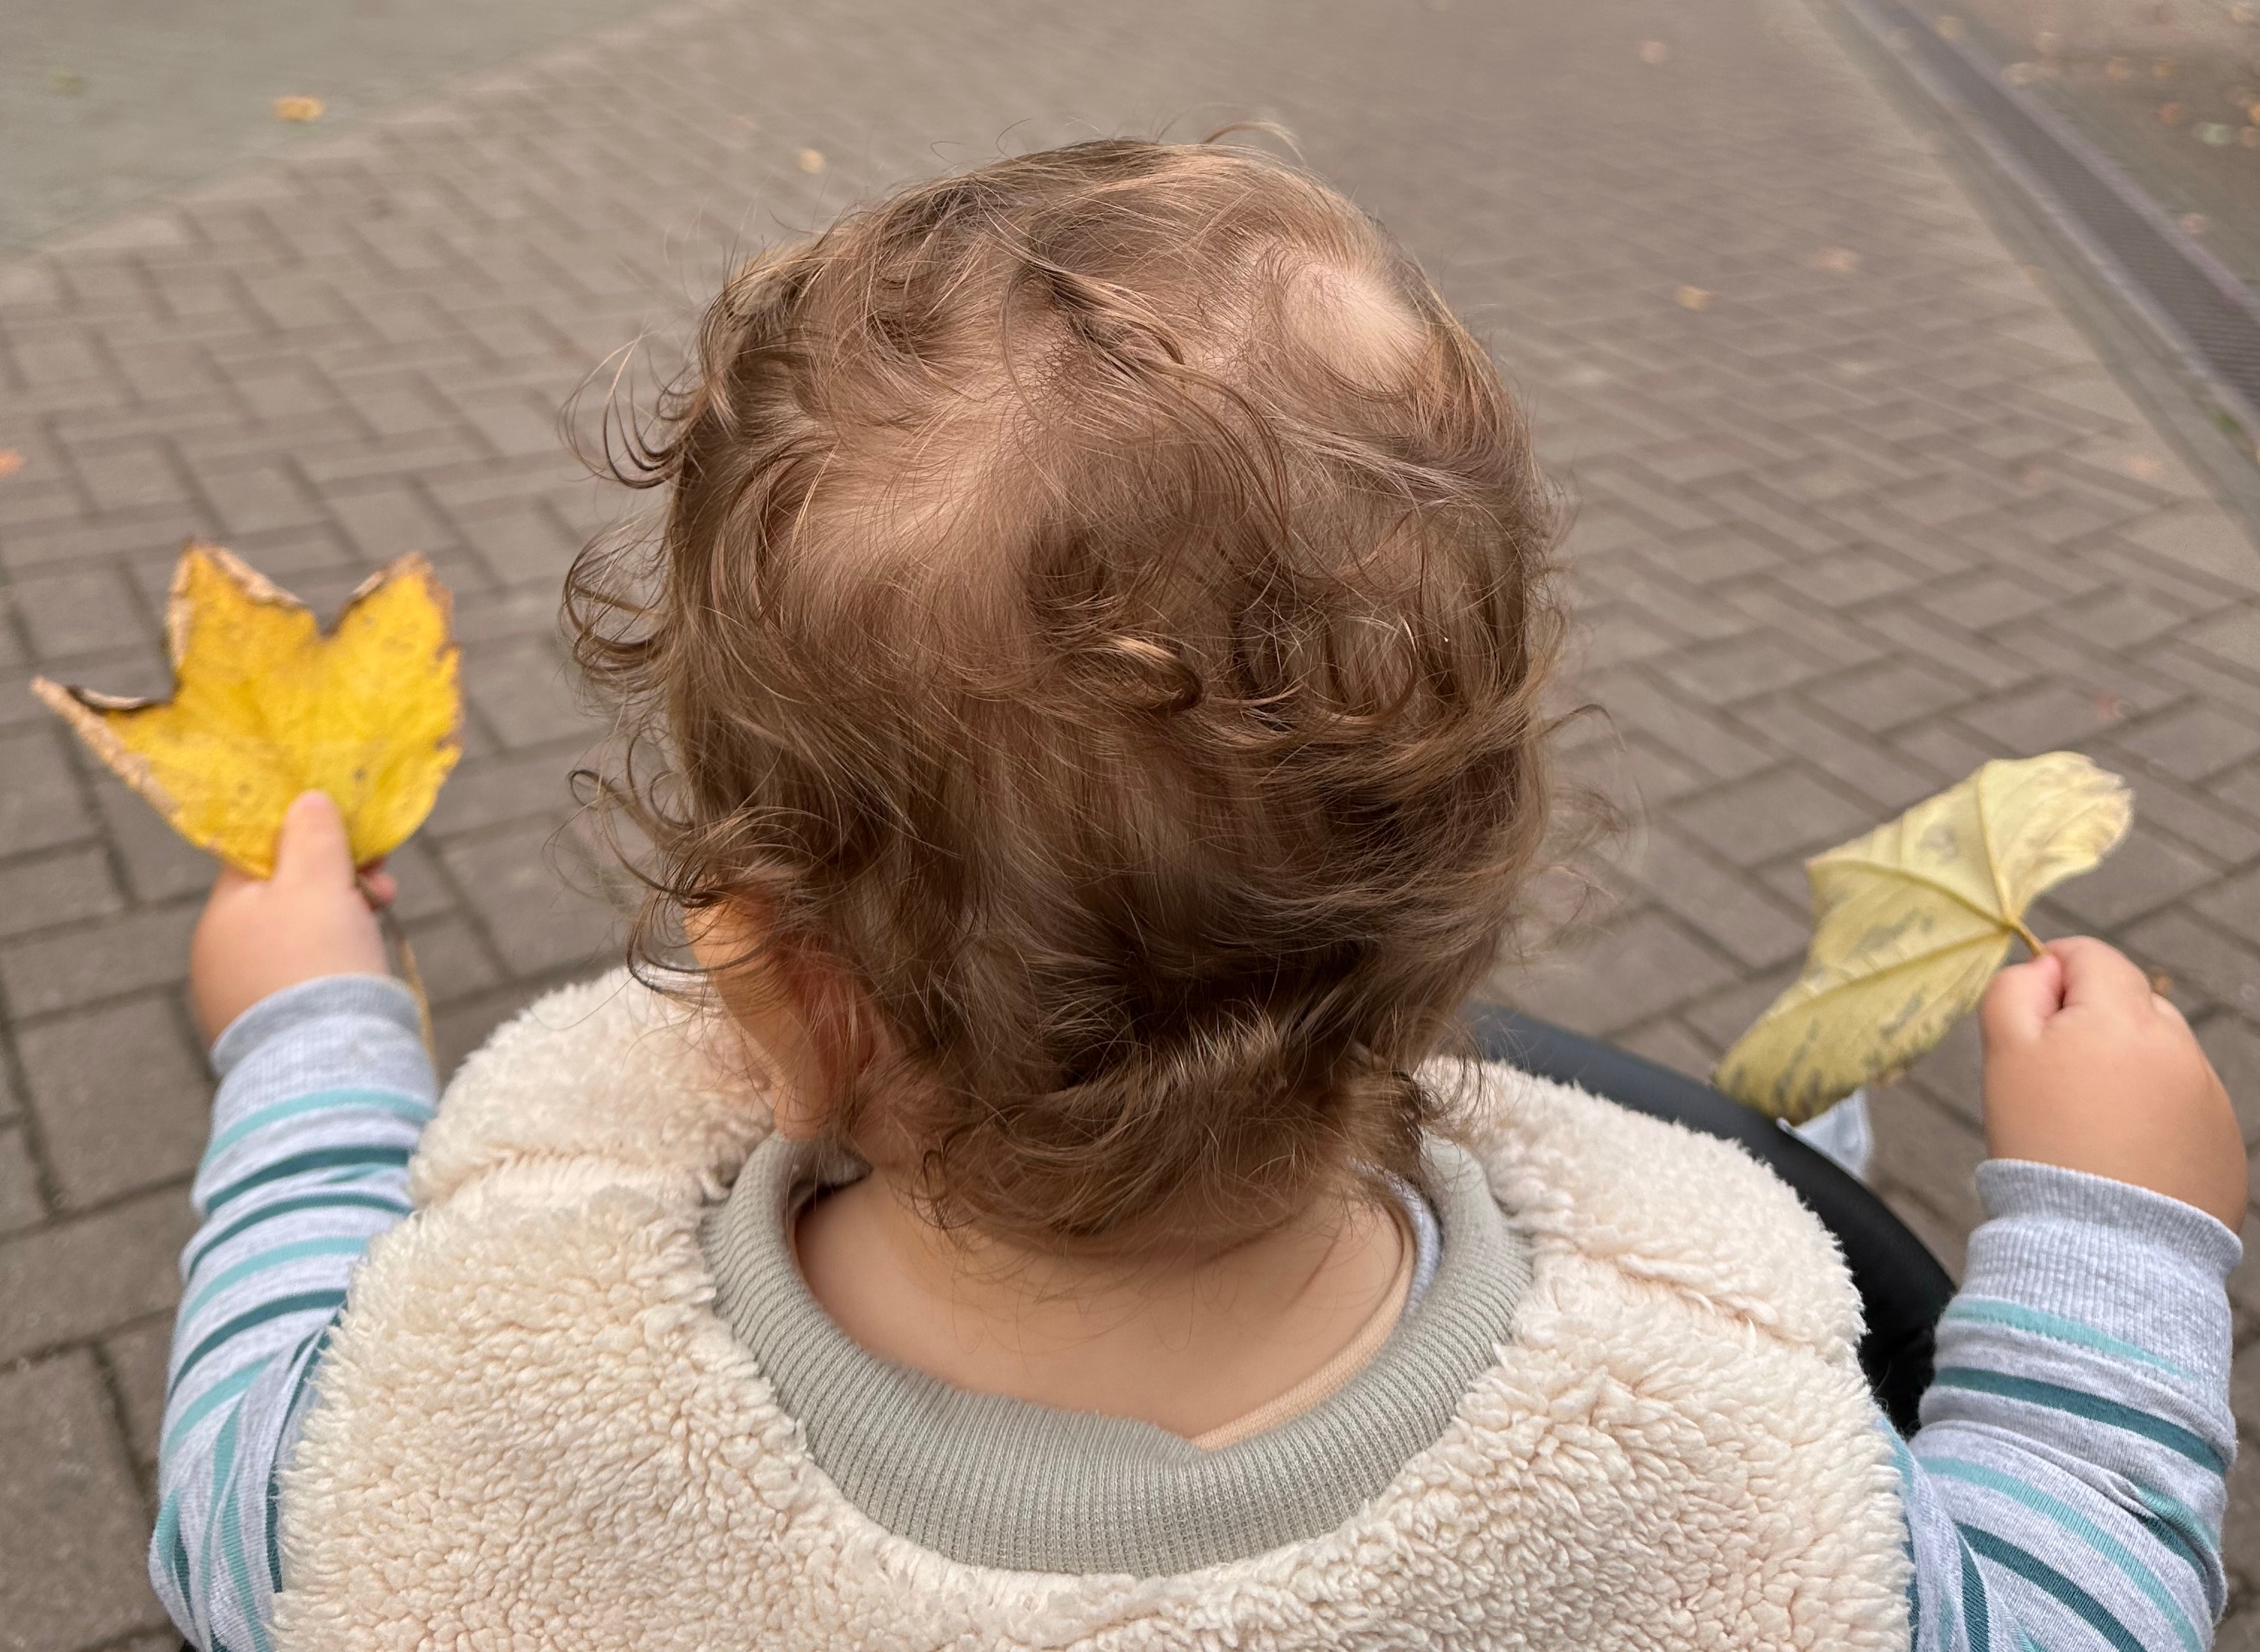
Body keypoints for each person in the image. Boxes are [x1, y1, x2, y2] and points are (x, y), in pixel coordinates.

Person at [153, 140, 2244, 1652]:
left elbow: (247, 1471)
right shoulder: (1708, 1442)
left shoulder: (481, 1389)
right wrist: (2115, 1259)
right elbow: (2063, 1592)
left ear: (786, 994)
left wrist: (312, 1035)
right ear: (1452, 903)